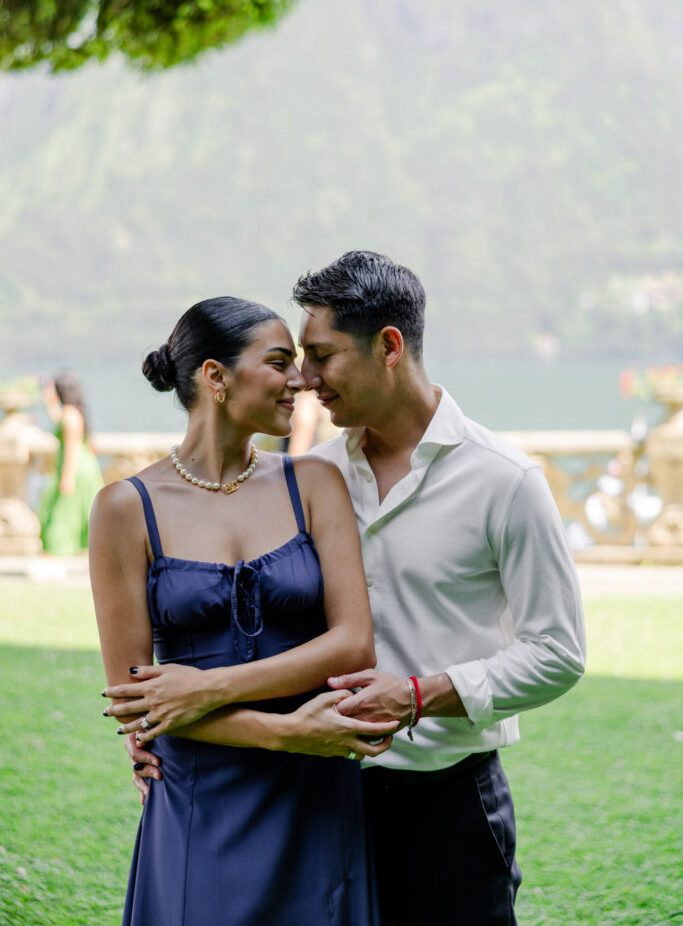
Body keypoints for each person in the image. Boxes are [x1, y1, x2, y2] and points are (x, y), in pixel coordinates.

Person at [116, 255, 586, 925]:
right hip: (305, 793)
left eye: (321, 356)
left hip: (442, 802)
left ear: (388, 347)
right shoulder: (305, 478)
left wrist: (421, 696)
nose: (304, 380)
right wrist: (178, 721)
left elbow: (557, 653)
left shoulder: (504, 481)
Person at [92, 296, 395, 926]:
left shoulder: (312, 483)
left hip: (314, 790)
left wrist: (208, 687)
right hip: (203, 792)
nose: (302, 381)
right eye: (281, 362)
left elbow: (352, 644)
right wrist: (287, 733)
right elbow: (135, 698)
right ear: (215, 376)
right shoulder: (125, 507)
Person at [39, 371, 103, 555]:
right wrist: (50, 402)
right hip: (82, 468)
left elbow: (71, 448)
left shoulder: (69, 415)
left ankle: (59, 555)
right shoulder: (73, 412)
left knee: (61, 516)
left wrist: (66, 478)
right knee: (74, 514)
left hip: (74, 469)